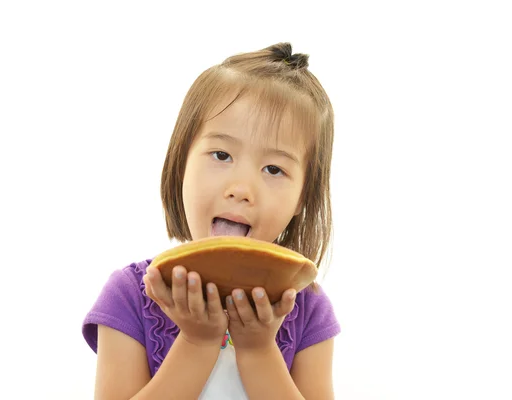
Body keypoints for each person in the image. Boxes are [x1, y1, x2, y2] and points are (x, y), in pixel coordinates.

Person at [82, 42, 341, 399]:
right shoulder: (129, 295)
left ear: (302, 197)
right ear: (181, 162)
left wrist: (258, 349)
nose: (241, 189)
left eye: (274, 169)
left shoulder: (308, 308)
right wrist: (196, 341)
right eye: (221, 154)